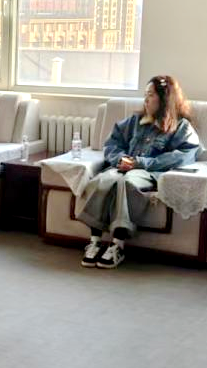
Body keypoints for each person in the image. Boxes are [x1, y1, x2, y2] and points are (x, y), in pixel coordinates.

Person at [78, 75, 200, 269]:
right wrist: (120, 159)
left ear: (164, 98)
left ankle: (117, 246)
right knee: (103, 180)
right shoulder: (135, 121)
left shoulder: (181, 126)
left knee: (127, 183)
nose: (146, 99)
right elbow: (112, 143)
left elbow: (184, 156)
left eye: (150, 95)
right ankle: (94, 242)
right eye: (145, 95)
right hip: (122, 167)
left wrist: (141, 163)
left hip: (148, 172)